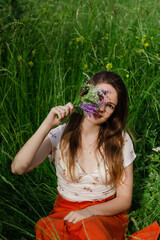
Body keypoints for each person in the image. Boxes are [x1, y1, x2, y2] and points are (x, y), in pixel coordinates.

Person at [12, 71, 136, 240]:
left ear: (114, 112)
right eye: (98, 97)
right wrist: (48, 124)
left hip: (104, 213)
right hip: (65, 211)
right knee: (46, 229)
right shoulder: (60, 135)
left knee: (92, 232)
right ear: (85, 95)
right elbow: (18, 167)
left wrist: (89, 212)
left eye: (110, 106)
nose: (101, 108)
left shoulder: (120, 140)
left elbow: (124, 200)